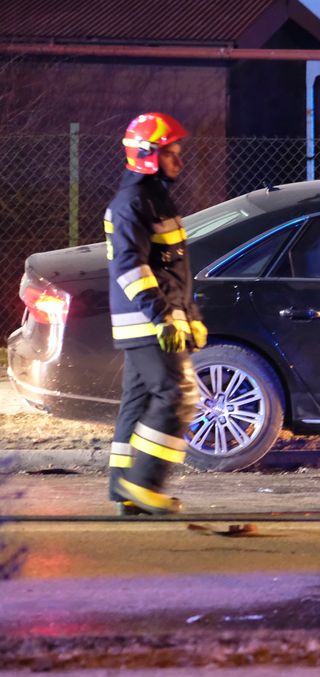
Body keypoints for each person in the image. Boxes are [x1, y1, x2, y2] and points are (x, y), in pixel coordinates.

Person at [105, 112, 205, 516]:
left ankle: (124, 488)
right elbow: (131, 267)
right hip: (148, 321)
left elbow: (172, 268)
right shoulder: (132, 203)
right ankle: (144, 483)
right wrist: (162, 316)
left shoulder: (154, 198)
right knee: (178, 394)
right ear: (147, 155)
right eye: (170, 153)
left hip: (155, 318)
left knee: (140, 399)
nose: (178, 161)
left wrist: (190, 314)